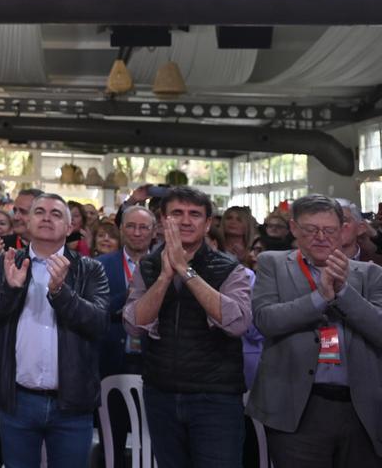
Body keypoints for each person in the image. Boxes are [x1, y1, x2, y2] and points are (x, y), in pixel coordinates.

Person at [0, 193, 109, 468]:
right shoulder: (6, 262)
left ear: (70, 228)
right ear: (26, 222)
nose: (47, 217)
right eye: (40, 212)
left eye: (56, 214)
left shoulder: (90, 269)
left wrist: (61, 293)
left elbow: (98, 324)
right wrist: (10, 290)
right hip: (18, 400)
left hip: (71, 404)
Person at [248, 194, 382, 466]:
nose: (321, 237)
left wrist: (343, 292)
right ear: (295, 229)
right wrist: (319, 297)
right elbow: (265, 320)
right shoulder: (272, 264)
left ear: (342, 229)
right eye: (311, 230)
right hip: (295, 406)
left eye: (329, 230)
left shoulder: (370, 274)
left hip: (361, 408)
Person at [123, 187, 252, 468]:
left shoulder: (230, 268)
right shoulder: (148, 266)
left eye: (195, 215)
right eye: (177, 213)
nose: (185, 221)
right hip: (161, 394)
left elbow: (238, 322)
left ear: (207, 224)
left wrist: (186, 271)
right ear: (163, 221)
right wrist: (165, 277)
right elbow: (133, 325)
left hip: (215, 399)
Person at [95, 206, 155, 463]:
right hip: (112, 360)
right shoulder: (100, 265)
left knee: (153, 439)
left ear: (153, 232)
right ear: (121, 229)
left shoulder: (167, 264)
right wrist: (128, 294)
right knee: (113, 441)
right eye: (131, 226)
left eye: (143, 227)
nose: (137, 232)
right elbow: (93, 310)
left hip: (155, 361)